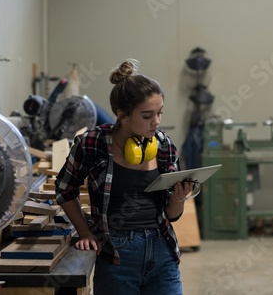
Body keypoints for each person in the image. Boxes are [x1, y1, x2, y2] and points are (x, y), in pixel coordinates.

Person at [55, 59, 194, 295]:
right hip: (116, 254)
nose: (157, 122)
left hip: (162, 251)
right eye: (147, 115)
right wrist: (85, 232)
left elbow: (172, 215)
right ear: (123, 115)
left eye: (159, 113)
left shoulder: (163, 146)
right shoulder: (92, 143)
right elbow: (64, 189)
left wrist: (179, 198)